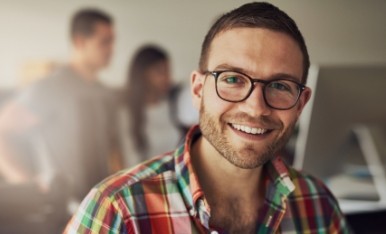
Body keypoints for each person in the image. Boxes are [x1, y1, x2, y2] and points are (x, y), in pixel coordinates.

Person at [65, 2, 351, 233]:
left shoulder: (317, 204)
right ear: (198, 90)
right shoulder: (119, 210)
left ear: (300, 103)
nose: (255, 108)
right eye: (232, 79)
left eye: (279, 86)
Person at [0, 8, 122, 203]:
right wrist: (28, 184)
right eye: (104, 42)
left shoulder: (104, 93)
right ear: (80, 42)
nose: (111, 49)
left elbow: (113, 152)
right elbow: (3, 131)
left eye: (112, 41)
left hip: (99, 205)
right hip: (62, 208)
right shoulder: (49, 88)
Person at [123, 45, 181, 166]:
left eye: (168, 71)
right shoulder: (127, 114)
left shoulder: (172, 105)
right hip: (147, 181)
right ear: (143, 75)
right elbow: (130, 160)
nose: (167, 78)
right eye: (160, 72)